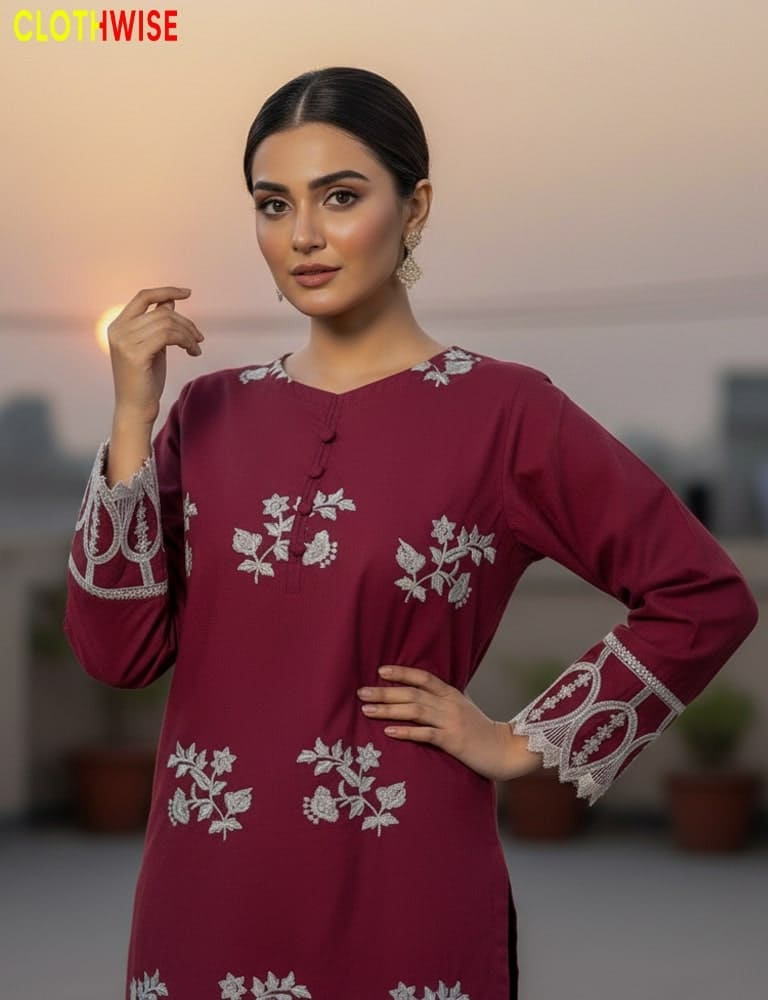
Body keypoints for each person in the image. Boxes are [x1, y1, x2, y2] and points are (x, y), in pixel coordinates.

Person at [63, 66, 759, 1000]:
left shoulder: (506, 413)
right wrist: (129, 423)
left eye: (339, 197)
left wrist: (528, 741)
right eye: (274, 205)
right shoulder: (206, 414)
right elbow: (118, 654)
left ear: (415, 205)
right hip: (207, 887)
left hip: (405, 879)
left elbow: (701, 595)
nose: (303, 236)